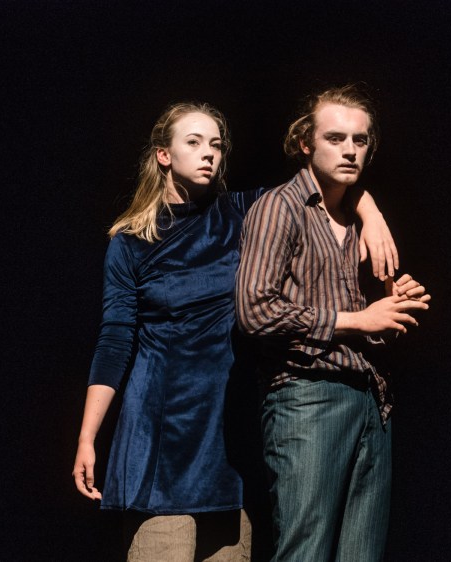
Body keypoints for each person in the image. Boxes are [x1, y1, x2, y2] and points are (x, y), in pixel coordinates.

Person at [71, 101, 399, 561]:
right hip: (160, 431)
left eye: (216, 145)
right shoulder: (131, 243)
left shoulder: (242, 212)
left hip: (228, 429)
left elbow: (319, 187)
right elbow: (115, 340)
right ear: (164, 154)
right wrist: (88, 437)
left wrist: (371, 211)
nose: (209, 153)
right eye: (194, 142)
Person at [235, 85, 431, 562]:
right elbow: (255, 309)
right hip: (307, 397)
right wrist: (359, 319)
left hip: (371, 400)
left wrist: (390, 311)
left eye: (360, 140)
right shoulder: (280, 207)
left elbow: (363, 327)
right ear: (305, 143)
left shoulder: (359, 222)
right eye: (335, 138)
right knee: (305, 553)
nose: (349, 150)